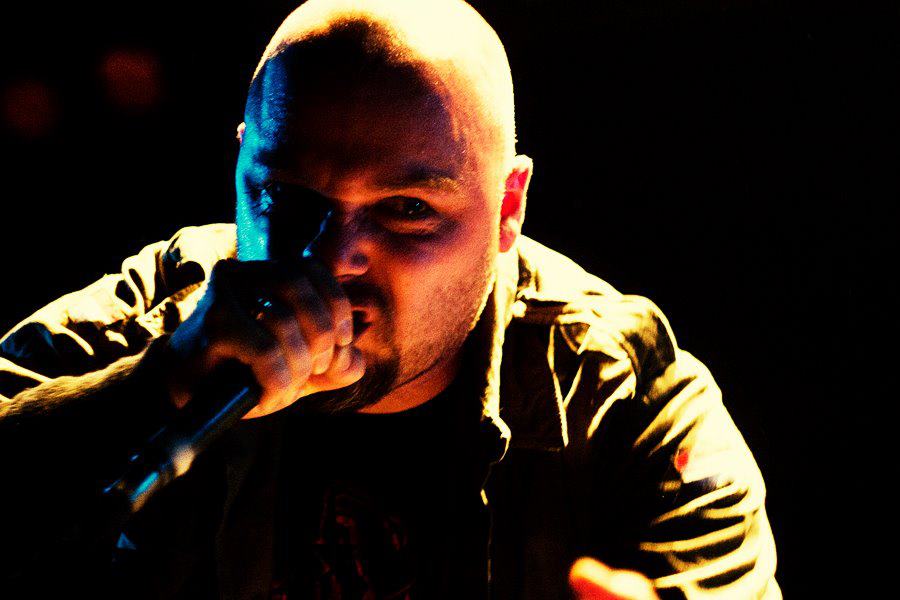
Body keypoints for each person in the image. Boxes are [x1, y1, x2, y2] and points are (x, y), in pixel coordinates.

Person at [0, 1, 779, 598]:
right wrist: (153, 388)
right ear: (240, 165)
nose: (332, 258)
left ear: (508, 210)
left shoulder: (626, 400)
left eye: (407, 209)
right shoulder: (165, 318)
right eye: (288, 197)